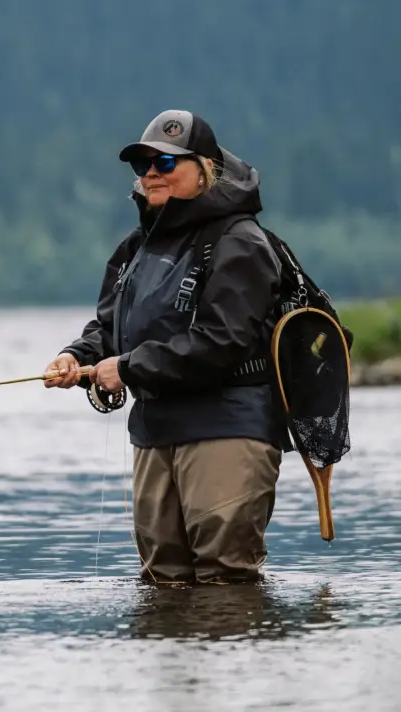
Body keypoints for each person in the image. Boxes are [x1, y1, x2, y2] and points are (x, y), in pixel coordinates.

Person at [44, 109, 288, 584]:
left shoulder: (241, 242)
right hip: (155, 434)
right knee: (163, 582)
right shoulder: (133, 250)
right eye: (143, 164)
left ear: (206, 170)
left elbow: (223, 341)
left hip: (227, 431)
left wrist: (130, 369)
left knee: (226, 581)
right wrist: (80, 357)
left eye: (167, 162)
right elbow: (112, 328)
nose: (152, 172)